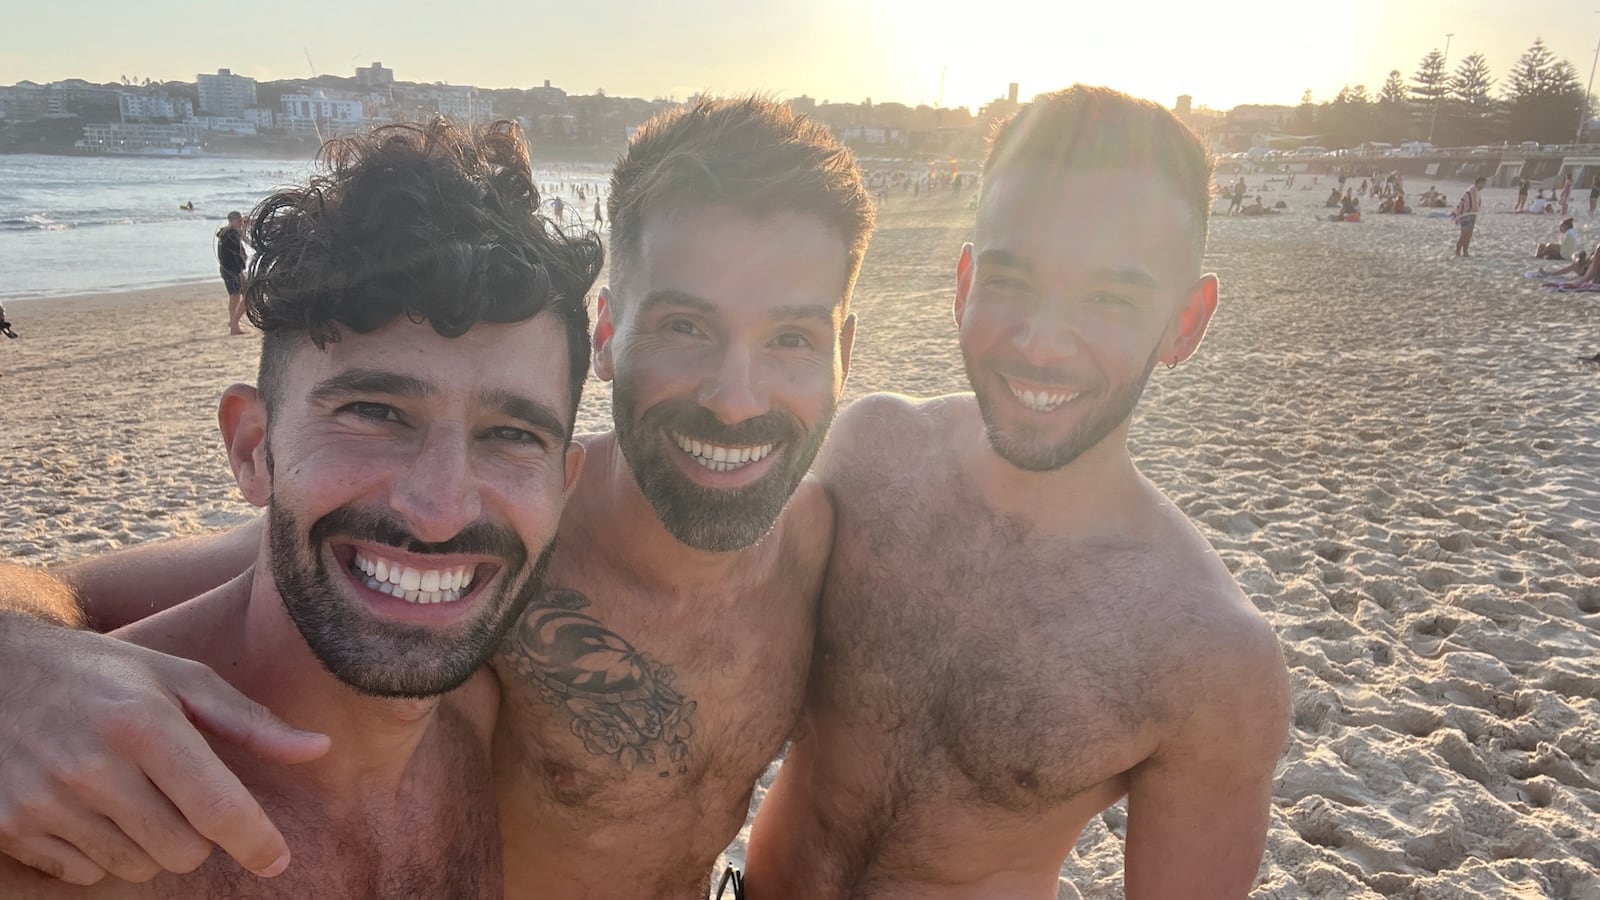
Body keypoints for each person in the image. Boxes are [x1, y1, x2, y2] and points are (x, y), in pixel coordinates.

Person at [0, 97, 870, 900]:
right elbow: (82, 592)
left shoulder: (832, 542)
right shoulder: (490, 549)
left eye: (794, 337)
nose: (736, 396)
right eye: (685, 325)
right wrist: (17, 664)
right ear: (608, 336)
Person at [0, 118, 601, 897]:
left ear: (565, 481)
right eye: (376, 413)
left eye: (513, 433)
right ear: (253, 447)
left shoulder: (489, 715)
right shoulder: (63, 810)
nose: (439, 510)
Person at [746, 84, 1290, 899]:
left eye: (1109, 298)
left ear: (1186, 322)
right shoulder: (868, 455)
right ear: (964, 284)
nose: (1040, 344)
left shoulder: (1210, 655)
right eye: (1009, 281)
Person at [216, 211, 249, 335]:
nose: (241, 224)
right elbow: (235, 256)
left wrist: (242, 229)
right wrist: (240, 271)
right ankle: (234, 322)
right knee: (245, 295)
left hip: (228, 269)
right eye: (239, 221)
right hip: (232, 270)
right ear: (232, 221)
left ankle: (234, 323)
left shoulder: (227, 233)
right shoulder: (230, 235)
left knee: (235, 296)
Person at [1453, 176, 1486, 257]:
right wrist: (1457, 213)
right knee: (1464, 234)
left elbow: (1477, 204)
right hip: (1465, 215)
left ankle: (1465, 251)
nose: (1484, 186)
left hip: (1472, 215)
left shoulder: (1477, 192)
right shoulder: (1470, 191)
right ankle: (1458, 251)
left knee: (1469, 234)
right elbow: (1463, 202)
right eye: (1483, 184)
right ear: (1478, 183)